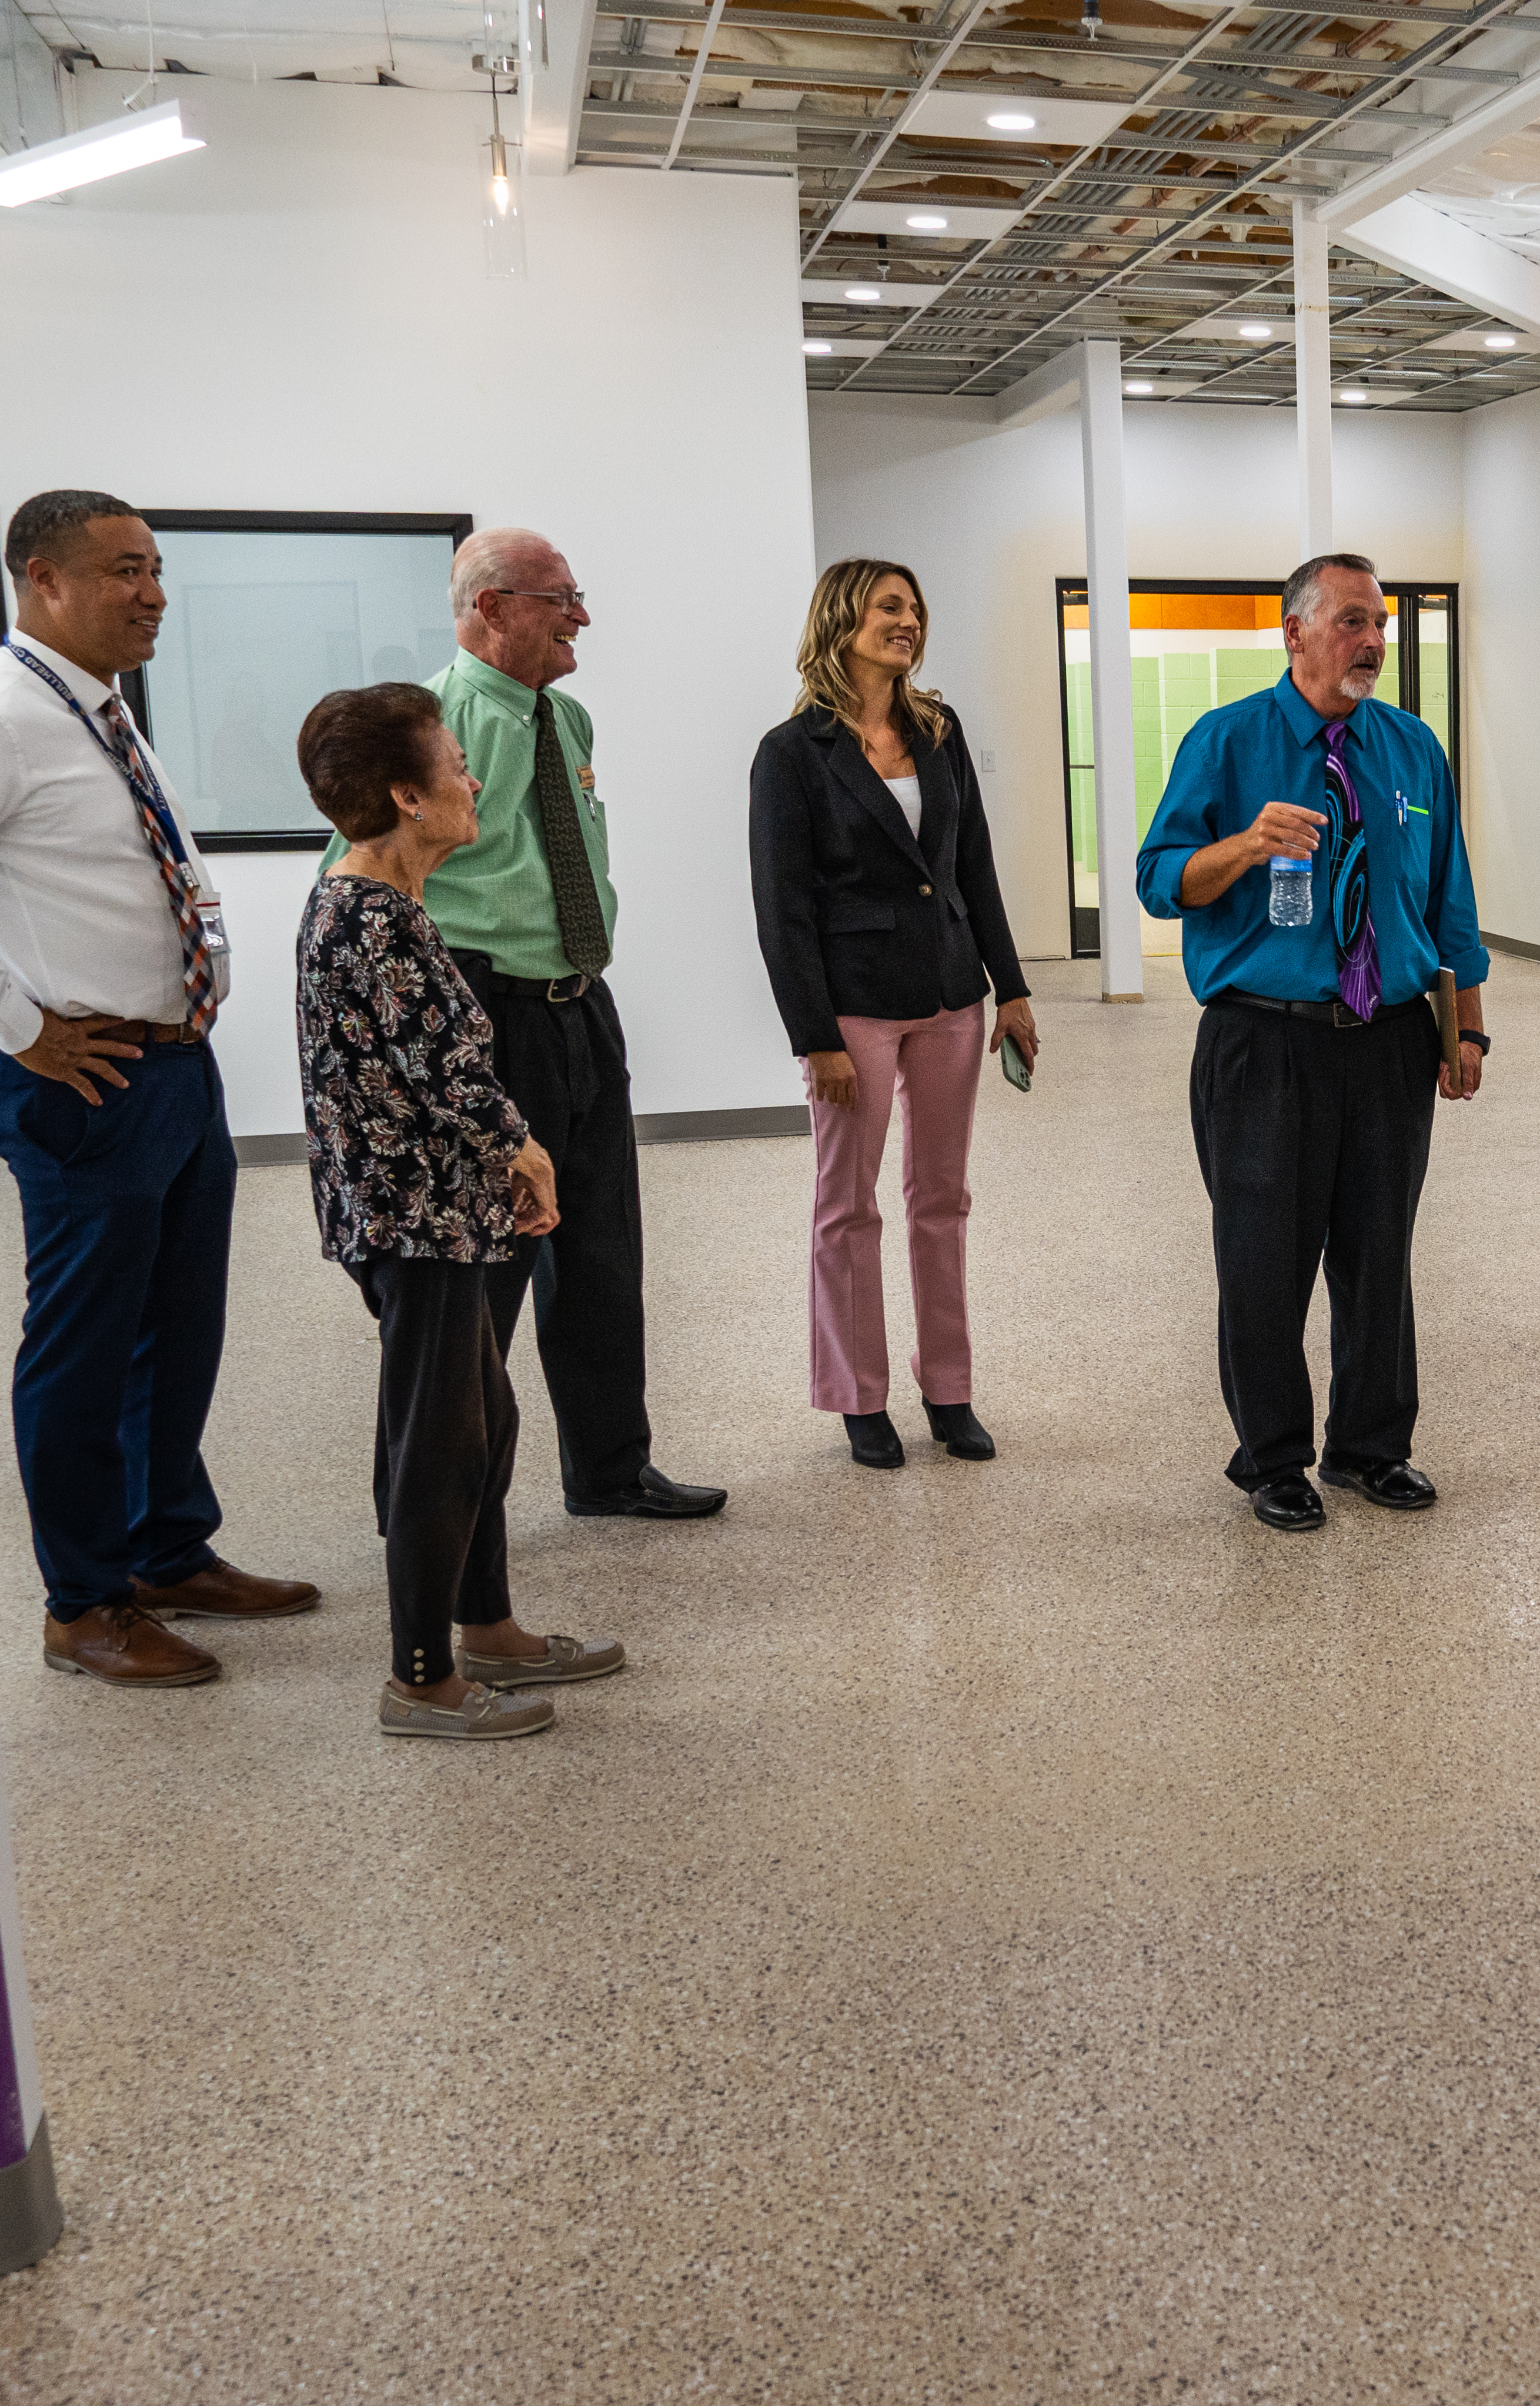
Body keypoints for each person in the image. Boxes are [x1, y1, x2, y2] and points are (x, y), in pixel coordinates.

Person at [0, 489, 318, 1687]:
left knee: (175, 1332)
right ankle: (83, 1603)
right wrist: (17, 1024)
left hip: (171, 1066)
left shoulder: (95, 716)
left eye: (158, 570)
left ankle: (165, 1550)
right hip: (84, 1081)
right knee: (81, 1349)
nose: (155, 594)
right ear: (42, 581)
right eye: (125, 571)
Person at [295, 684, 629, 1740]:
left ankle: (487, 1622)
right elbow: (448, 1073)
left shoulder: (381, 904)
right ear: (407, 793)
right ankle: (421, 1675)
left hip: (434, 1212)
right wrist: (524, 1152)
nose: (473, 778)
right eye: (453, 762)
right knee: (441, 1438)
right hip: (419, 1221)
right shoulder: (372, 915)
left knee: (481, 1419)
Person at [1137, 552, 1491, 1534]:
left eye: (1379, 623)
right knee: (1265, 1257)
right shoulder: (1228, 740)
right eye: (1349, 622)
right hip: (1264, 1041)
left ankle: (1373, 1447)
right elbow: (1162, 880)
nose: (1372, 640)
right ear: (1294, 634)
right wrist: (1247, 844)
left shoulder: (1414, 749)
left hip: (1387, 1040)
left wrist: (1470, 1031)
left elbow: (1448, 899)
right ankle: (1274, 1457)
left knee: (1380, 1254)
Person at [421, 527, 724, 1521]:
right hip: (490, 1014)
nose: (581, 617)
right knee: (491, 1269)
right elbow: (379, 881)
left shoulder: (569, 719)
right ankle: (455, 1497)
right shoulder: (432, 726)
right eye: (561, 598)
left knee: (601, 1251)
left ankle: (610, 1467)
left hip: (580, 1006)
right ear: (493, 607)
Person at [749, 559, 1039, 1472]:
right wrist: (815, 1036)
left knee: (941, 1199)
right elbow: (781, 908)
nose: (907, 622)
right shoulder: (792, 753)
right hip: (854, 1007)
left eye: (914, 608)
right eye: (888, 607)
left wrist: (1014, 987)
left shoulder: (940, 732)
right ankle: (857, 1396)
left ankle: (948, 1388)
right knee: (847, 1206)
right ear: (842, 619)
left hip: (952, 993)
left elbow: (974, 868)